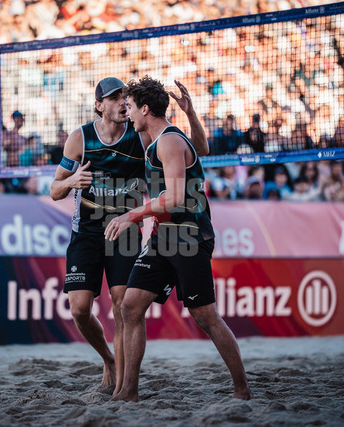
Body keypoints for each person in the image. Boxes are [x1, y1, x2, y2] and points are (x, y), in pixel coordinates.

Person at [49, 77, 208, 394]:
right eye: (114, 98)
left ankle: (123, 386)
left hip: (125, 231)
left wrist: (190, 114)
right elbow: (55, 190)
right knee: (79, 308)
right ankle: (108, 360)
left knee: (123, 306)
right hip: (87, 232)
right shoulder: (80, 138)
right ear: (99, 105)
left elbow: (199, 150)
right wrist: (71, 181)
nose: (122, 102)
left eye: (124, 96)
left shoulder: (140, 133)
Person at [104, 76, 251, 402]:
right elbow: (202, 149)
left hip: (189, 237)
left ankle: (242, 389)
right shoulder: (155, 137)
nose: (127, 112)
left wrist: (131, 216)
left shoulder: (169, 141)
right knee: (130, 306)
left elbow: (174, 197)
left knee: (205, 316)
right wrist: (191, 112)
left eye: (130, 107)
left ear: (145, 109)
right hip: (163, 237)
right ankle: (128, 392)